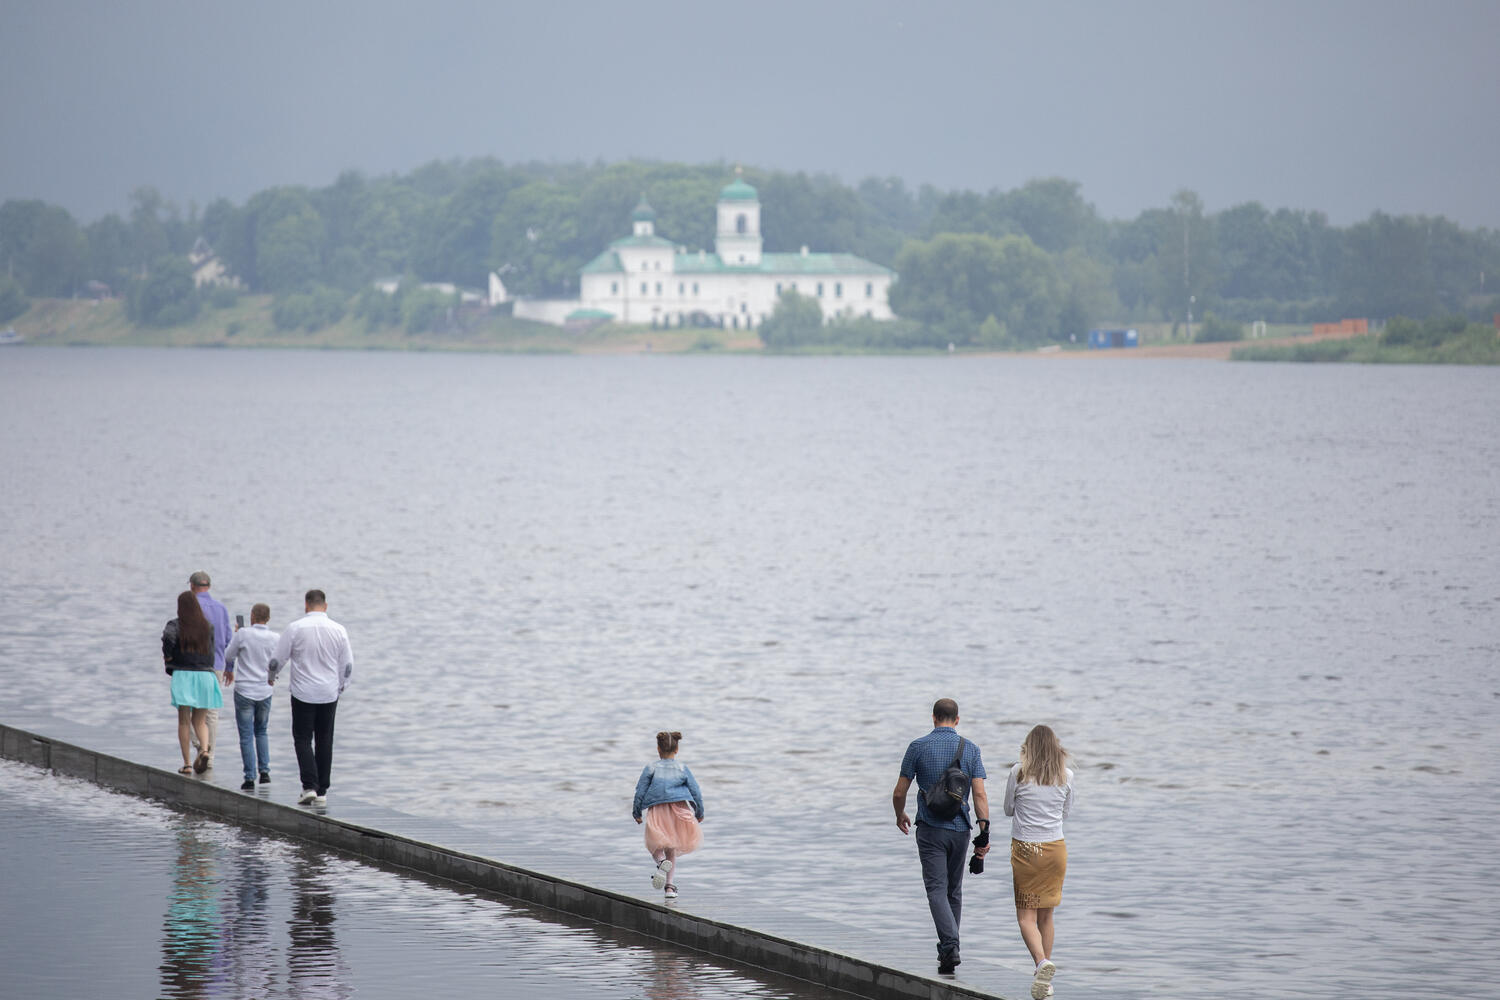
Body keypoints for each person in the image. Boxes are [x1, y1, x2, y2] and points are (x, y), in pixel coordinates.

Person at [892, 698, 990, 974]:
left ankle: (950, 945)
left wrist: (900, 814)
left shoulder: (918, 747)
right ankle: (949, 951)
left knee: (936, 890)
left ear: (933, 718)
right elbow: (980, 793)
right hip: (960, 829)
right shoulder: (970, 749)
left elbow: (899, 792)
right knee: (953, 891)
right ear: (957, 720)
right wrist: (984, 829)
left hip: (930, 828)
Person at [1003, 724, 1075, 1000]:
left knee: (1025, 916)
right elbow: (1066, 813)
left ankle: (1041, 964)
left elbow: (1009, 809)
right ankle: (1044, 981)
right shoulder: (1066, 775)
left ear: (1028, 747)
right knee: (1046, 914)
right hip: (1056, 848)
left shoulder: (1018, 773)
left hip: (1026, 849)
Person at [269, 589, 353, 807]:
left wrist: (271, 676)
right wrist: (342, 686)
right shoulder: (339, 630)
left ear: (306, 605)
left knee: (303, 738)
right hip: (328, 692)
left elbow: (278, 658)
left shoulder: (295, 628)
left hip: (303, 692)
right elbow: (348, 664)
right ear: (325, 606)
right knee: (325, 739)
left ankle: (309, 786)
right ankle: (323, 789)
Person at [631, 731, 704, 901]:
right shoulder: (682, 767)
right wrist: (699, 811)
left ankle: (661, 863)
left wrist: (637, 812)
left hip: (658, 810)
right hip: (679, 809)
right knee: (671, 847)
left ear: (658, 749)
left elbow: (640, 790)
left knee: (655, 846)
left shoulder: (651, 767)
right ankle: (669, 888)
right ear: (677, 750)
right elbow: (696, 790)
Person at [162, 590, 223, 775]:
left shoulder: (175, 624)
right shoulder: (207, 626)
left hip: (184, 674)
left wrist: (169, 656)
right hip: (205, 675)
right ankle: (204, 750)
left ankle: (187, 764)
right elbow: (212, 650)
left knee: (183, 721)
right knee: (201, 721)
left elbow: (168, 637)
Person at [223, 602, 279, 791]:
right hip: (265, 690)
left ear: (252, 616)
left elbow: (228, 656)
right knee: (261, 731)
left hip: (245, 690)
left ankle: (249, 777)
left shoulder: (243, 634)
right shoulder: (275, 638)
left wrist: (238, 635)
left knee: (246, 735)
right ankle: (265, 772)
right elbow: (277, 663)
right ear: (268, 618)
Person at [188, 571, 232, 768]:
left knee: (188, 708)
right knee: (212, 712)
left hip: (194, 665)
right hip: (217, 664)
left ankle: (200, 747)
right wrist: (229, 665)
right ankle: (210, 755)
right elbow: (229, 638)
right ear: (209, 586)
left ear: (191, 586)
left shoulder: (190, 607)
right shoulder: (221, 608)